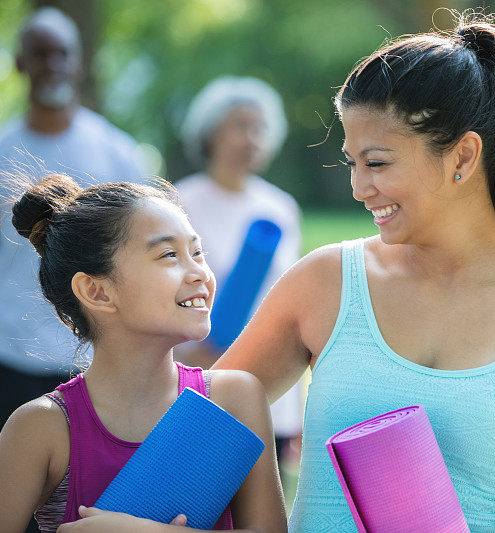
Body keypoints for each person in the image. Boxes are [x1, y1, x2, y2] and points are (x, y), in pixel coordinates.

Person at [214, 14, 495, 532]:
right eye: (352, 162)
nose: (359, 187)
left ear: (463, 155)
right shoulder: (325, 283)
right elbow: (203, 434)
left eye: (377, 163)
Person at [0, 175, 286, 532]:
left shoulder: (234, 398)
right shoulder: (42, 427)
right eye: (169, 255)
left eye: (197, 252)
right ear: (96, 291)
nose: (200, 272)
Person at [0, 7, 146, 433]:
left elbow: (135, 252)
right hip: (8, 355)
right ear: (19, 63)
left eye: (63, 53)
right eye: (41, 53)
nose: (53, 65)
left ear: (79, 63)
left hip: (90, 354)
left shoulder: (116, 152)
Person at [175, 76, 304, 466]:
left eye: (260, 128)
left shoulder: (280, 207)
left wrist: (297, 411)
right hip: (199, 373)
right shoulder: (179, 201)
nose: (252, 139)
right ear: (211, 133)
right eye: (241, 126)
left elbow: (292, 300)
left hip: (270, 379)